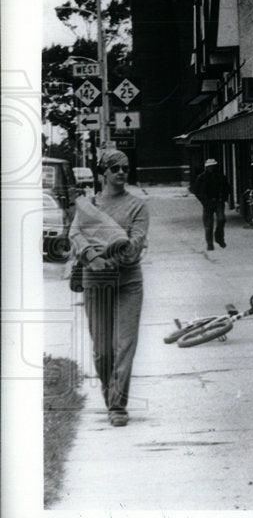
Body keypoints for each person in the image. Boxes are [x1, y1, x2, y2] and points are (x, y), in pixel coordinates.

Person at [69, 150, 149, 427]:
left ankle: (117, 405)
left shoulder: (138, 206)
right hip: (96, 281)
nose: (121, 172)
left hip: (129, 281)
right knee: (103, 350)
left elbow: (136, 243)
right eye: (114, 168)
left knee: (125, 345)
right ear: (103, 172)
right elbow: (75, 234)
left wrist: (112, 254)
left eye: (125, 167)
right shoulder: (89, 204)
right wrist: (93, 257)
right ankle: (110, 394)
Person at [192, 158, 231, 250]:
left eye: (213, 167)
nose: (211, 169)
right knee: (208, 225)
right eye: (210, 167)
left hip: (218, 201)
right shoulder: (201, 178)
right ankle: (209, 244)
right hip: (207, 203)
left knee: (221, 219)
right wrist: (203, 201)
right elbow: (196, 190)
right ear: (206, 167)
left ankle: (219, 238)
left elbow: (227, 188)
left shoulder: (220, 177)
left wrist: (223, 198)